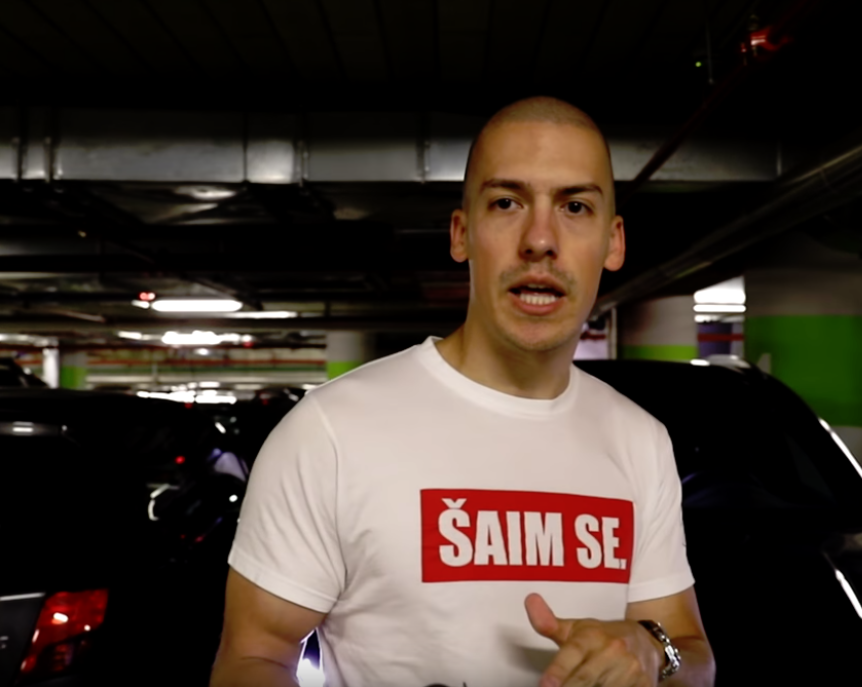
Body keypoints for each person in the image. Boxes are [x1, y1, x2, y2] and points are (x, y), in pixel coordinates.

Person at [209, 96, 715, 687]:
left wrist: (652, 652)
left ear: (613, 242)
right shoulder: (331, 432)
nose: (540, 239)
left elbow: (694, 656)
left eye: (575, 206)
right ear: (461, 233)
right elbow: (253, 656)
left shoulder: (640, 440)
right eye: (507, 203)